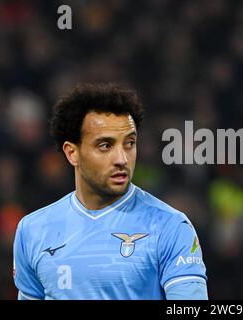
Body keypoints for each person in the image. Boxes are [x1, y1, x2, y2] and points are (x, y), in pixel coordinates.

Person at [12, 83, 208, 300]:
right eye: (105, 145)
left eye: (129, 143)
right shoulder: (32, 230)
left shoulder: (169, 227)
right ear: (72, 153)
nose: (122, 159)